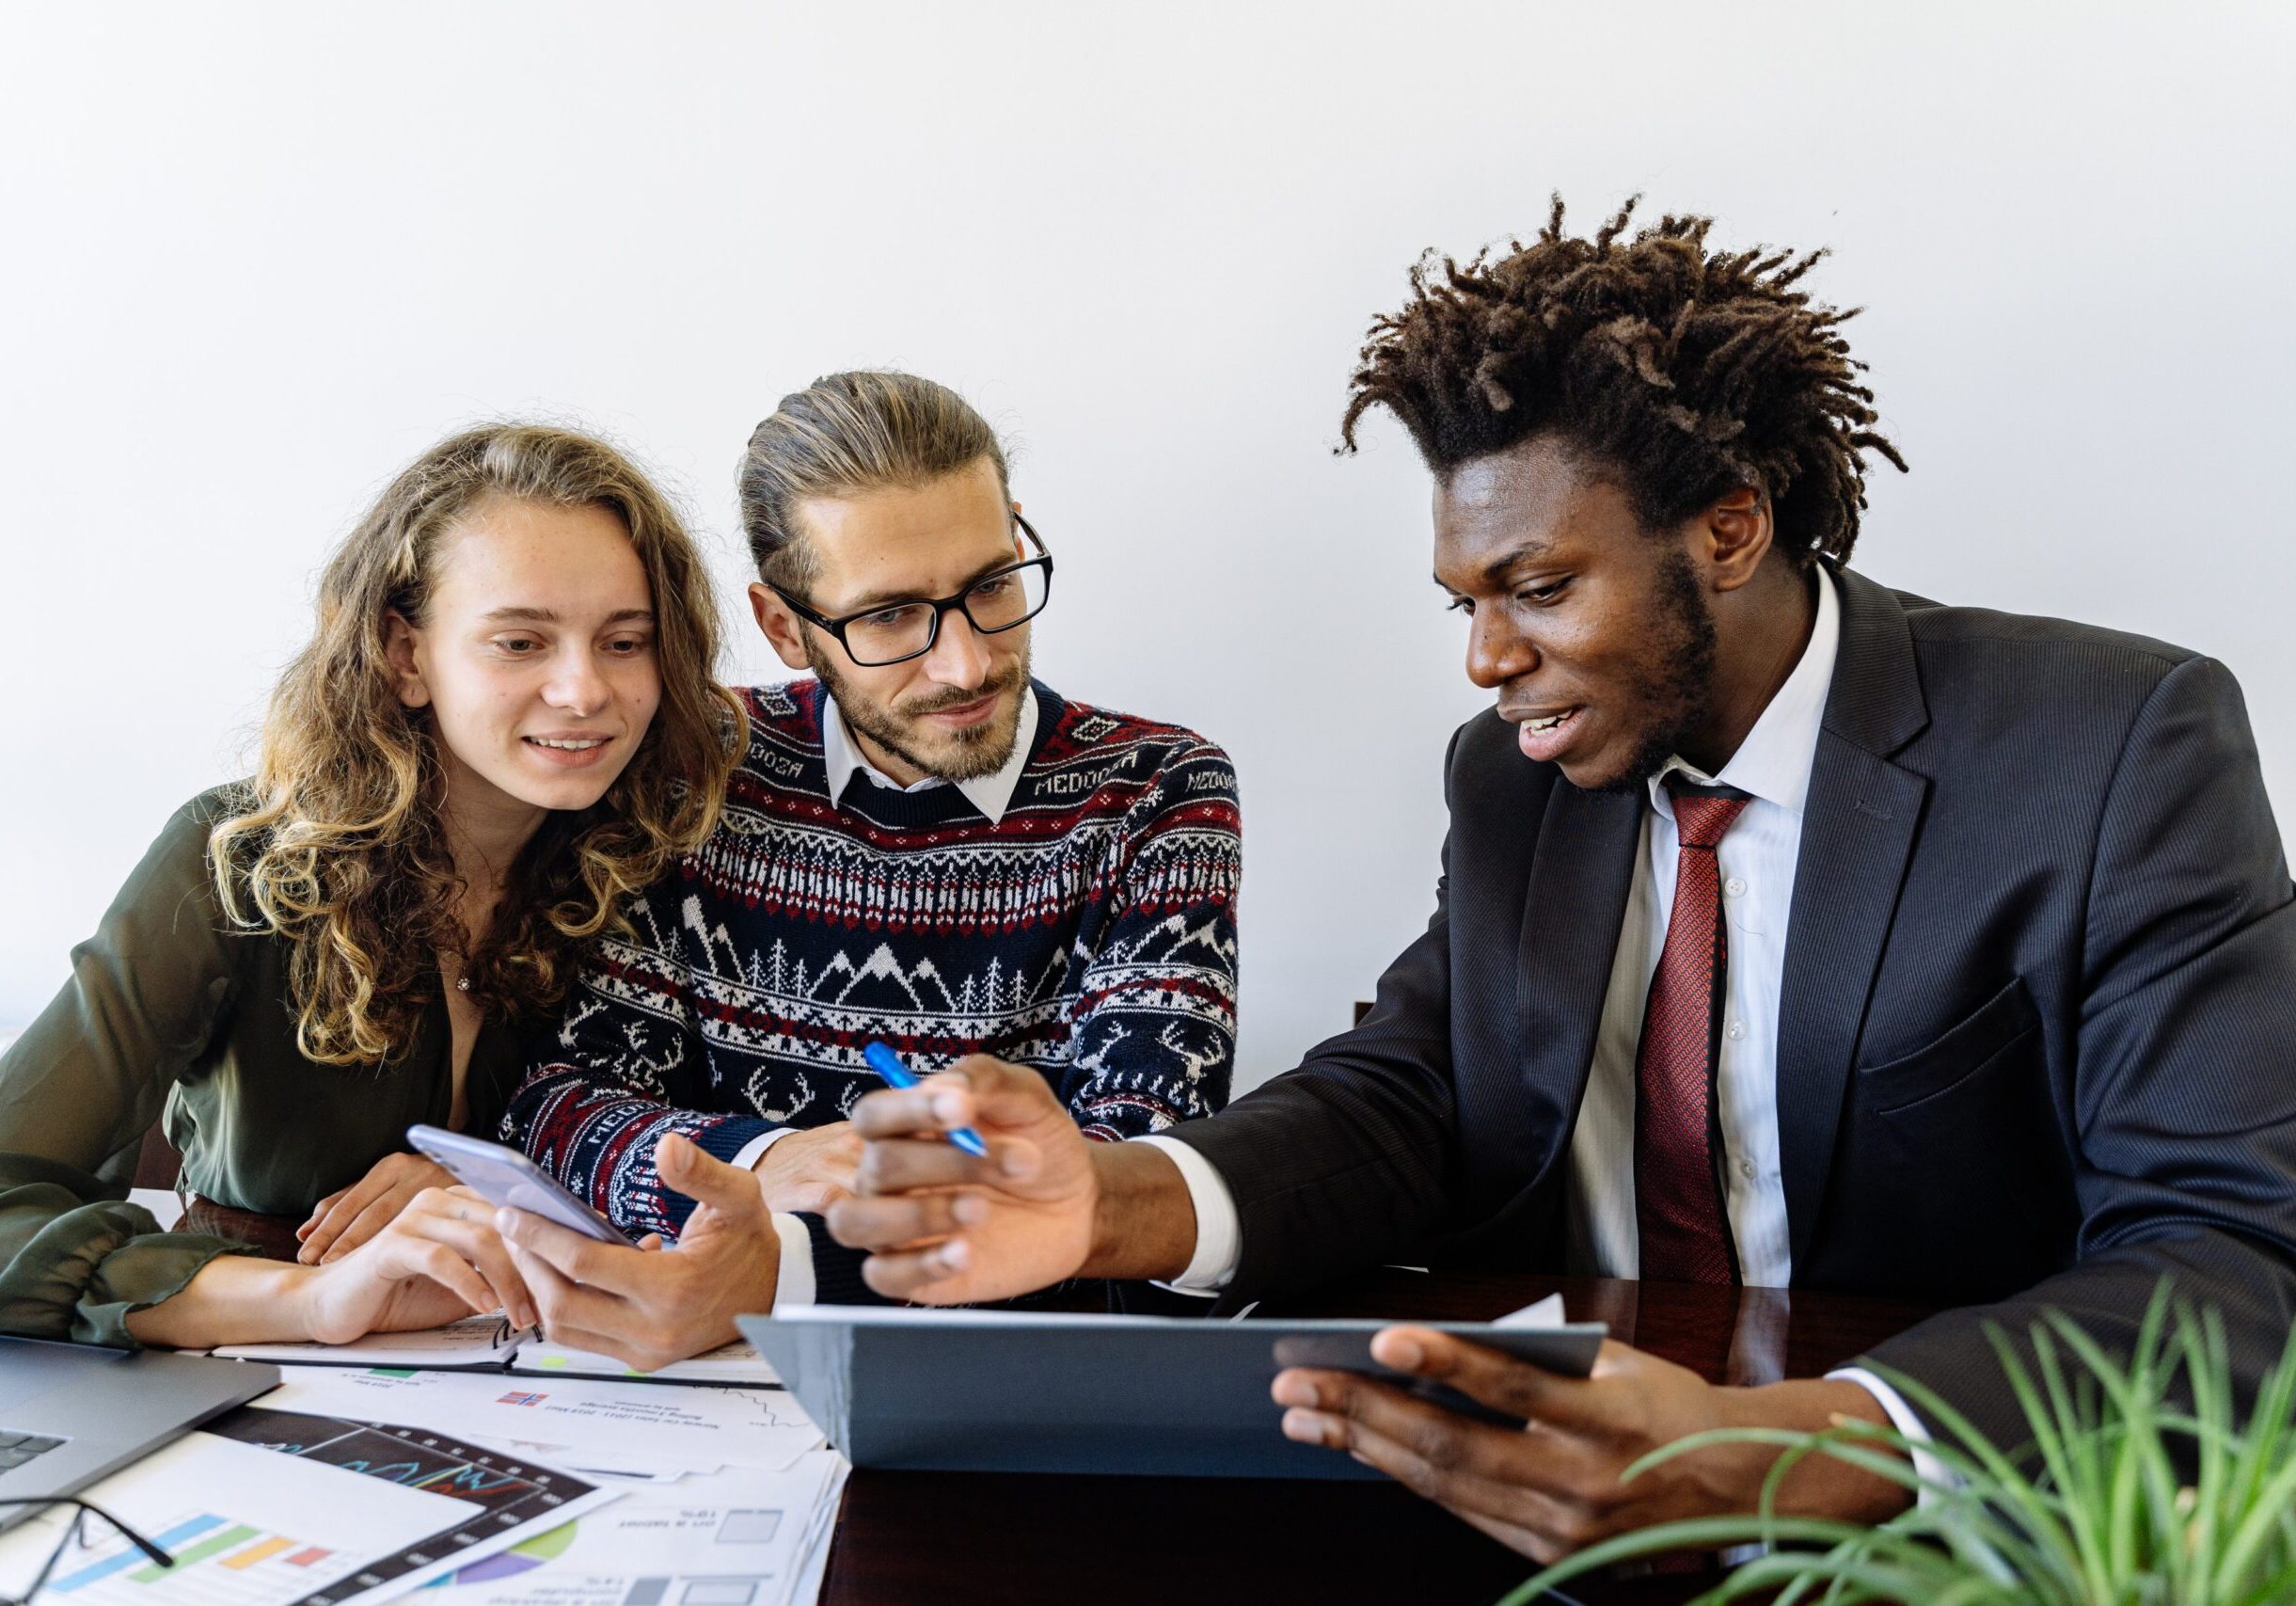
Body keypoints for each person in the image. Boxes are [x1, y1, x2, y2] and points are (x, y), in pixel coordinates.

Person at [826, 201, 2296, 1561]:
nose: (1485, 660)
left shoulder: (2112, 744)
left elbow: (2235, 1252)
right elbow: (1406, 1094)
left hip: (1933, 1528)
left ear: (1729, 529)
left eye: (1536, 589)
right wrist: (1108, 1202)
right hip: (1522, 1497)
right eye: (1466, 602)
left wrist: (1785, 1447)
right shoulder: (1517, 773)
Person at [490, 371, 1243, 1371]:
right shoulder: (691, 767)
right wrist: (771, 1158)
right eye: (889, 617)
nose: (967, 665)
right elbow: (557, 1100)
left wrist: (777, 1259)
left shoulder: (1157, 792)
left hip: (1020, 1385)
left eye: (990, 586)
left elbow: (1133, 1184)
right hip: (708, 1384)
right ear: (784, 628)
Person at [0, 422, 742, 1349]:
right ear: (404, 655)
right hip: (270, 1366)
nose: (584, 690)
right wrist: (314, 1301)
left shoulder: (665, 858)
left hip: (584, 1367)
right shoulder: (235, 860)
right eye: (519, 642)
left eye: (624, 642)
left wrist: (507, 1182)